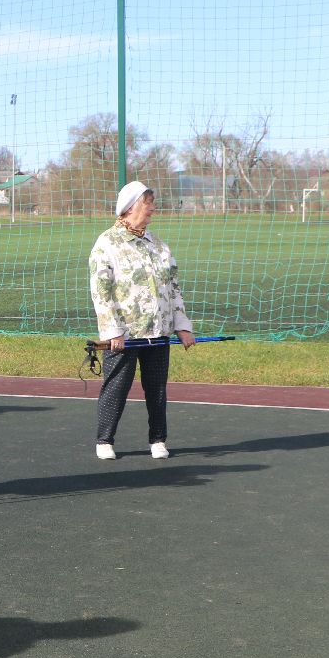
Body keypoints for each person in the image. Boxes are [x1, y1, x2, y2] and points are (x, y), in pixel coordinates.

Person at [89, 181, 196, 461]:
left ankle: (158, 439)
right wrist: (112, 331)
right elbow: (101, 291)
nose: (152, 208)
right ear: (131, 207)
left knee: (157, 388)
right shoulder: (107, 243)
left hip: (158, 331)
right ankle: (104, 440)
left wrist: (182, 326)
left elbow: (173, 288)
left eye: (152, 203)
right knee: (117, 386)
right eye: (148, 203)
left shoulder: (158, 245)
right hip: (124, 334)